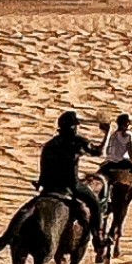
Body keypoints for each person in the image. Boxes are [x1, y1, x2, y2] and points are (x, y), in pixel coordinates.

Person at [36, 108, 106, 255]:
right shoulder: (77, 142)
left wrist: (41, 182)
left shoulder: (50, 144)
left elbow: (43, 165)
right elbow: (99, 152)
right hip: (71, 185)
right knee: (95, 204)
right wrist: (107, 134)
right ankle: (98, 238)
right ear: (73, 127)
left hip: (49, 185)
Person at [100, 112, 132, 210]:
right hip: (122, 163)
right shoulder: (129, 135)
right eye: (128, 122)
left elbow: (109, 150)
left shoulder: (113, 134)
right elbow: (131, 151)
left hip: (110, 163)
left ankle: (103, 199)